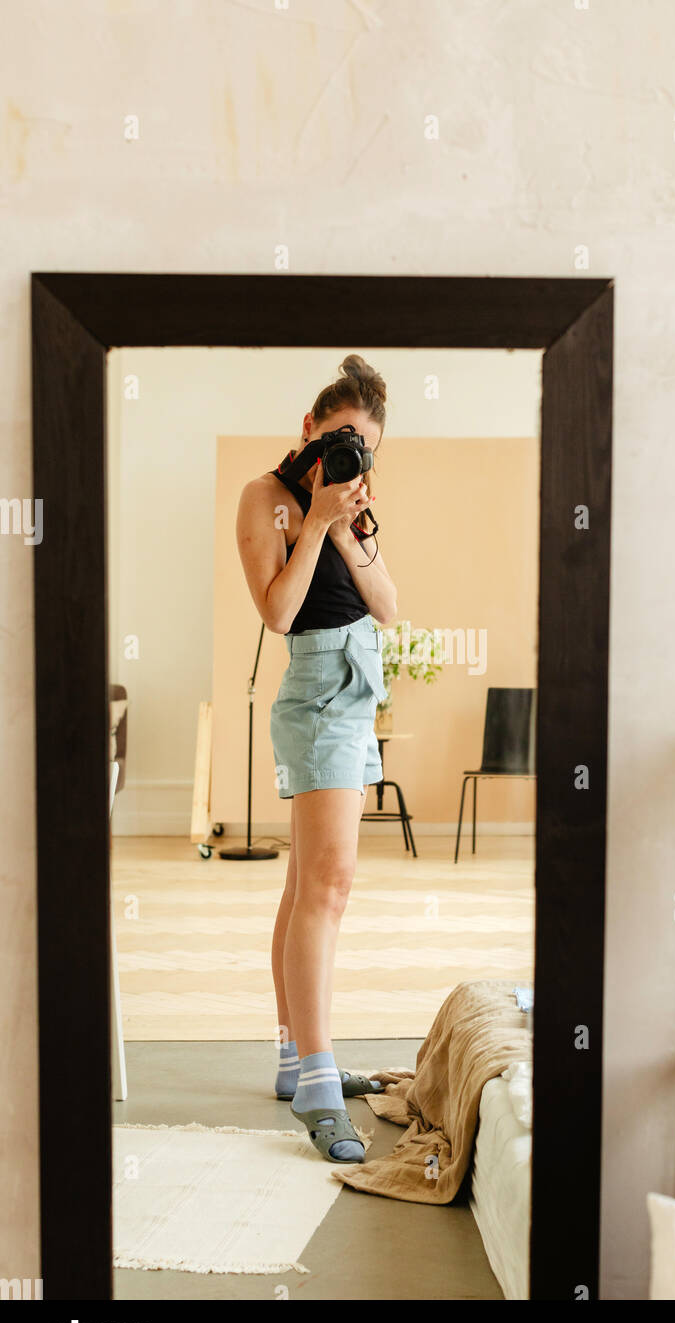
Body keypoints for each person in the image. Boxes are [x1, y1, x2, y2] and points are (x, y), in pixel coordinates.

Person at [236, 355, 398, 1163]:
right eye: (339, 437)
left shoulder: (351, 505)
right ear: (309, 427)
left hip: (360, 683)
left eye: (363, 447)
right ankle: (321, 1084)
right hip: (319, 689)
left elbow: (391, 607)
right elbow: (278, 611)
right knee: (330, 886)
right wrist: (317, 523)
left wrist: (349, 521)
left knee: (306, 883)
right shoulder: (265, 498)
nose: (349, 455)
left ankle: (294, 1059)